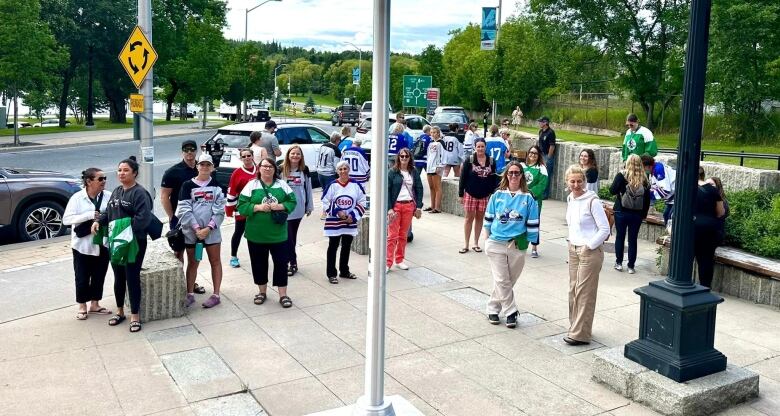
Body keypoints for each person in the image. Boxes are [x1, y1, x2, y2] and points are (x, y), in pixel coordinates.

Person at [91, 156, 153, 333]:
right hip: (116, 241)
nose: (121, 173)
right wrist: (99, 222)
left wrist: (123, 230)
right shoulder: (117, 191)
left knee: (132, 277)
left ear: (135, 173)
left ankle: (135, 315)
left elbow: (143, 219)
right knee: (119, 277)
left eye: (126, 170)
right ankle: (120, 312)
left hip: (134, 242)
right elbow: (109, 212)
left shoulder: (140, 193)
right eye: (119, 170)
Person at [483, 161, 539, 328]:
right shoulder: (497, 195)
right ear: (506, 175)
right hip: (496, 242)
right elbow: (488, 219)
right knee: (502, 279)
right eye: (510, 173)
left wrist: (529, 243)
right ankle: (511, 312)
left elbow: (533, 222)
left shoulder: (529, 198)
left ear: (522, 176)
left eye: (517, 173)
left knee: (507, 280)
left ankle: (492, 308)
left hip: (517, 244)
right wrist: (487, 240)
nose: (513, 176)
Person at [237, 157, 297, 308]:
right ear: (259, 168)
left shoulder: (282, 184)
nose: (267, 169)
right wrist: (257, 207)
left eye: (270, 166)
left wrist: (280, 206)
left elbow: (293, 201)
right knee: (258, 264)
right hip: (256, 235)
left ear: (274, 169)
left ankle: (283, 295)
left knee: (281, 264)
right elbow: (241, 206)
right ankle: (262, 292)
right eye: (264, 166)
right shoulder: (252, 185)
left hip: (278, 235)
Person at [563, 165, 611, 345]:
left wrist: (588, 246)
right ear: (567, 182)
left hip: (589, 251)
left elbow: (604, 229)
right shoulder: (570, 199)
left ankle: (580, 334)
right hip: (573, 248)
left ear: (584, 181)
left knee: (584, 293)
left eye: (579, 181)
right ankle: (575, 326)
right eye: (572, 181)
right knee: (572, 290)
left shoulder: (592, 200)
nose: (576, 185)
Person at [176, 153, 226, 308]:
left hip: (211, 232)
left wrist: (209, 227)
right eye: (202, 164)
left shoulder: (218, 186)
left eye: (208, 165)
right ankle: (190, 293)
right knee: (193, 262)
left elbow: (220, 210)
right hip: (192, 233)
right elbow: (184, 209)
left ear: (212, 167)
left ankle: (216, 294)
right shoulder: (187, 185)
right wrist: (197, 228)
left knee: (215, 261)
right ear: (197, 166)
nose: (205, 167)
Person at [63, 168, 111, 320]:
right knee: (82, 276)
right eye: (100, 179)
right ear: (89, 181)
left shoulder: (108, 196)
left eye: (105, 178)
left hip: (102, 243)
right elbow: (66, 220)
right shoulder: (77, 198)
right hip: (82, 245)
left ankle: (95, 304)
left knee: (99, 275)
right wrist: (89, 215)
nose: (104, 181)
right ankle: (82, 306)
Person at [160, 140, 204, 294]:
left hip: (199, 220)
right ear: (182, 151)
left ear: (196, 151)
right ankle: (179, 285)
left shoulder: (202, 168)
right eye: (186, 150)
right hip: (179, 221)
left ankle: (191, 283)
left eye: (192, 149)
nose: (189, 152)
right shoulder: (173, 172)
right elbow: (164, 197)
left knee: (196, 254)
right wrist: (172, 217)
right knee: (179, 253)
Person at [321, 161, 367, 284]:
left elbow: (362, 201)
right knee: (333, 246)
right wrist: (337, 212)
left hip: (349, 222)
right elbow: (325, 201)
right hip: (334, 222)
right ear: (337, 171)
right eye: (340, 169)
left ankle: (344, 271)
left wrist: (353, 215)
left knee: (346, 246)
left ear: (349, 169)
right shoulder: (333, 185)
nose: (343, 171)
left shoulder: (355, 185)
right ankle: (331, 273)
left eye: (345, 168)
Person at [609, 154, 651, 274]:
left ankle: (618, 263)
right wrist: (644, 215)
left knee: (620, 237)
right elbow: (647, 199)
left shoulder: (622, 175)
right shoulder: (645, 178)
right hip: (637, 214)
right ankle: (631, 266)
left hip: (621, 211)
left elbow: (612, 191)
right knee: (633, 240)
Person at [386, 148, 423, 271]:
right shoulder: (392, 172)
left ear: (410, 158)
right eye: (401, 156)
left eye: (406, 156)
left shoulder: (414, 171)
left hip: (408, 205)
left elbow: (419, 188)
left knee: (403, 235)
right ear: (398, 158)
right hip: (396, 206)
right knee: (392, 235)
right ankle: (388, 262)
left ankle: (399, 260)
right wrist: (389, 208)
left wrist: (418, 206)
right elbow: (387, 191)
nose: (404, 158)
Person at [458, 139, 497, 254]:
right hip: (470, 193)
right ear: (475, 147)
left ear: (485, 147)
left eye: (482, 146)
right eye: (478, 146)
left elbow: (494, 178)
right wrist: (461, 194)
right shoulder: (469, 160)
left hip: (484, 195)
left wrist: (492, 193)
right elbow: (463, 178)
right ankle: (466, 244)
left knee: (480, 218)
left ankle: (475, 243)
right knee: (469, 218)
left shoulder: (491, 161)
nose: (480, 149)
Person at [280, 145, 314, 276]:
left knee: (292, 236)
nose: (295, 156)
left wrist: (309, 206)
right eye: (293, 153)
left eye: (298, 154)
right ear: (288, 155)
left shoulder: (304, 170)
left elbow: (308, 189)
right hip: (285, 209)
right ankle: (292, 262)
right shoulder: (281, 169)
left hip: (299, 209)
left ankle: (291, 261)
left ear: (301, 156)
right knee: (288, 237)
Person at [694, 168, 726, 288]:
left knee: (685, 260)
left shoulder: (685, 188)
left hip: (689, 229)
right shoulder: (712, 190)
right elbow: (721, 212)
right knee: (705, 261)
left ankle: (684, 285)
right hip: (708, 229)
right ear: (703, 175)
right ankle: (705, 288)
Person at [225, 148, 257, 268]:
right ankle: (233, 256)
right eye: (244, 156)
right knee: (239, 231)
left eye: (249, 155)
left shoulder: (259, 169)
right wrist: (229, 209)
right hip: (242, 207)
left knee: (255, 232)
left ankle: (257, 256)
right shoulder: (237, 173)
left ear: (253, 156)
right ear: (240, 158)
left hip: (258, 207)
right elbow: (231, 191)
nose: (247, 158)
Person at [522, 145, 549, 258]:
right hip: (522, 199)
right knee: (520, 221)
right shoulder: (522, 166)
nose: (532, 155)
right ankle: (521, 245)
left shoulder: (541, 168)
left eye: (535, 153)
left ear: (538, 156)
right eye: (531, 152)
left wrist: (531, 192)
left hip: (534, 200)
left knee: (534, 223)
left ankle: (534, 247)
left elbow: (543, 184)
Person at [640, 155, 676, 225]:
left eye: (642, 167)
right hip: (672, 197)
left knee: (670, 217)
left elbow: (665, 190)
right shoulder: (654, 170)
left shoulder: (658, 169)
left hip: (676, 196)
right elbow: (655, 187)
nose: (642, 170)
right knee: (666, 215)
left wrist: (648, 194)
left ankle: (672, 234)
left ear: (647, 166)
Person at [425, 126, 444, 214]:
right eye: (431, 132)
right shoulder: (431, 143)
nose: (433, 134)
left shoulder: (441, 143)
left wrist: (439, 166)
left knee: (437, 187)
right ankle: (432, 205)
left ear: (438, 133)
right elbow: (429, 156)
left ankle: (437, 207)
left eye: (435, 132)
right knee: (431, 187)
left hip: (436, 167)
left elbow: (444, 156)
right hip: (429, 167)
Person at [537, 116, 556, 199]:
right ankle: (540, 192)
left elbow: (552, 146)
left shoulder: (551, 132)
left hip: (547, 156)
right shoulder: (541, 131)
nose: (539, 123)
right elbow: (539, 143)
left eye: (541, 122)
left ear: (545, 123)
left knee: (546, 175)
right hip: (541, 155)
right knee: (540, 174)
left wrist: (548, 158)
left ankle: (545, 194)